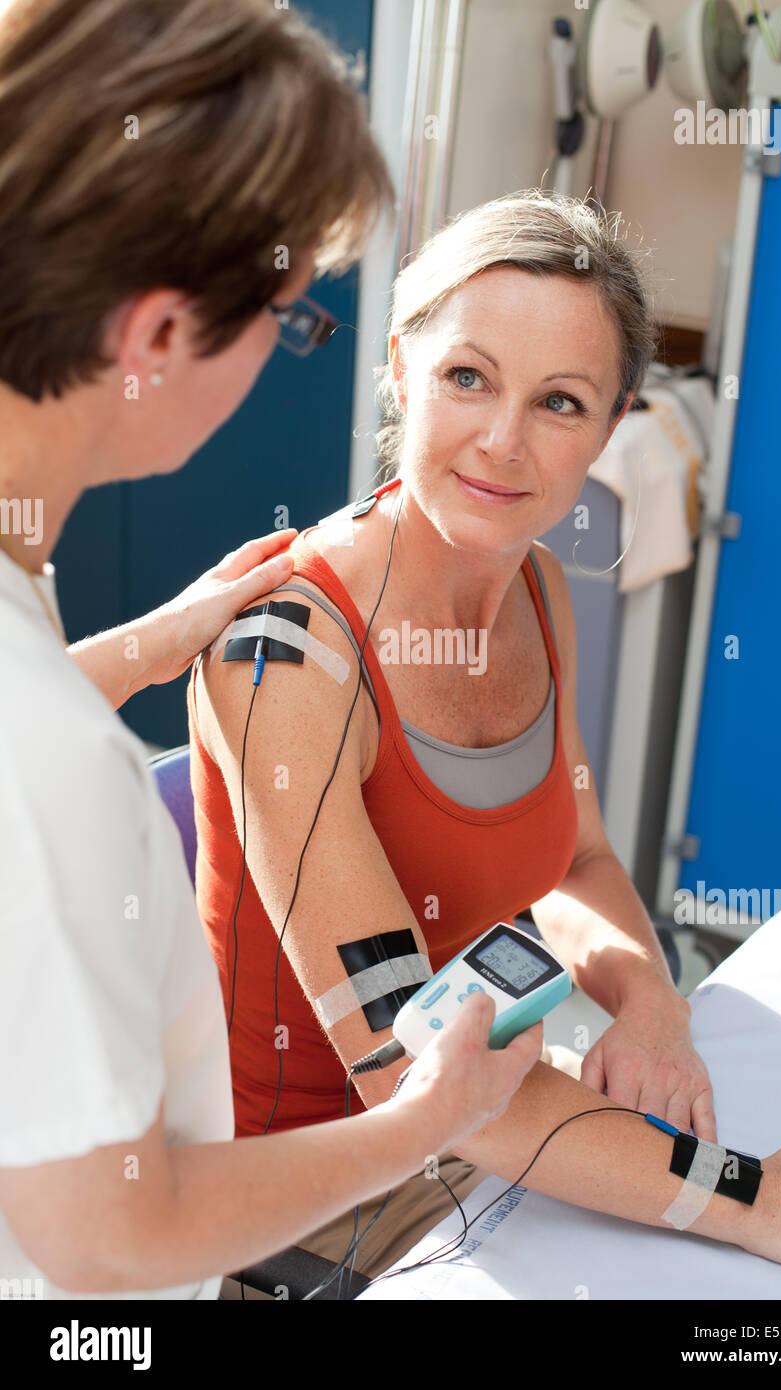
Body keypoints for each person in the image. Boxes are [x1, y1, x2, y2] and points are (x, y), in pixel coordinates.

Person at [192, 188, 781, 1279]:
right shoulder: (288, 660)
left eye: (559, 402)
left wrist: (645, 998)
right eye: (467, 377)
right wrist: (742, 1189)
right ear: (402, 369)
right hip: (305, 1207)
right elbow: (406, 1074)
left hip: (486, 1137)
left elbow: (580, 859)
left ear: (611, 425)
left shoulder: (536, 590)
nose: (502, 443)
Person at [0, 0, 542, 1300]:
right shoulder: (48, 761)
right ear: (158, 334)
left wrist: (140, 647)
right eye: (291, 322)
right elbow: (114, 1235)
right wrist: (426, 1117)